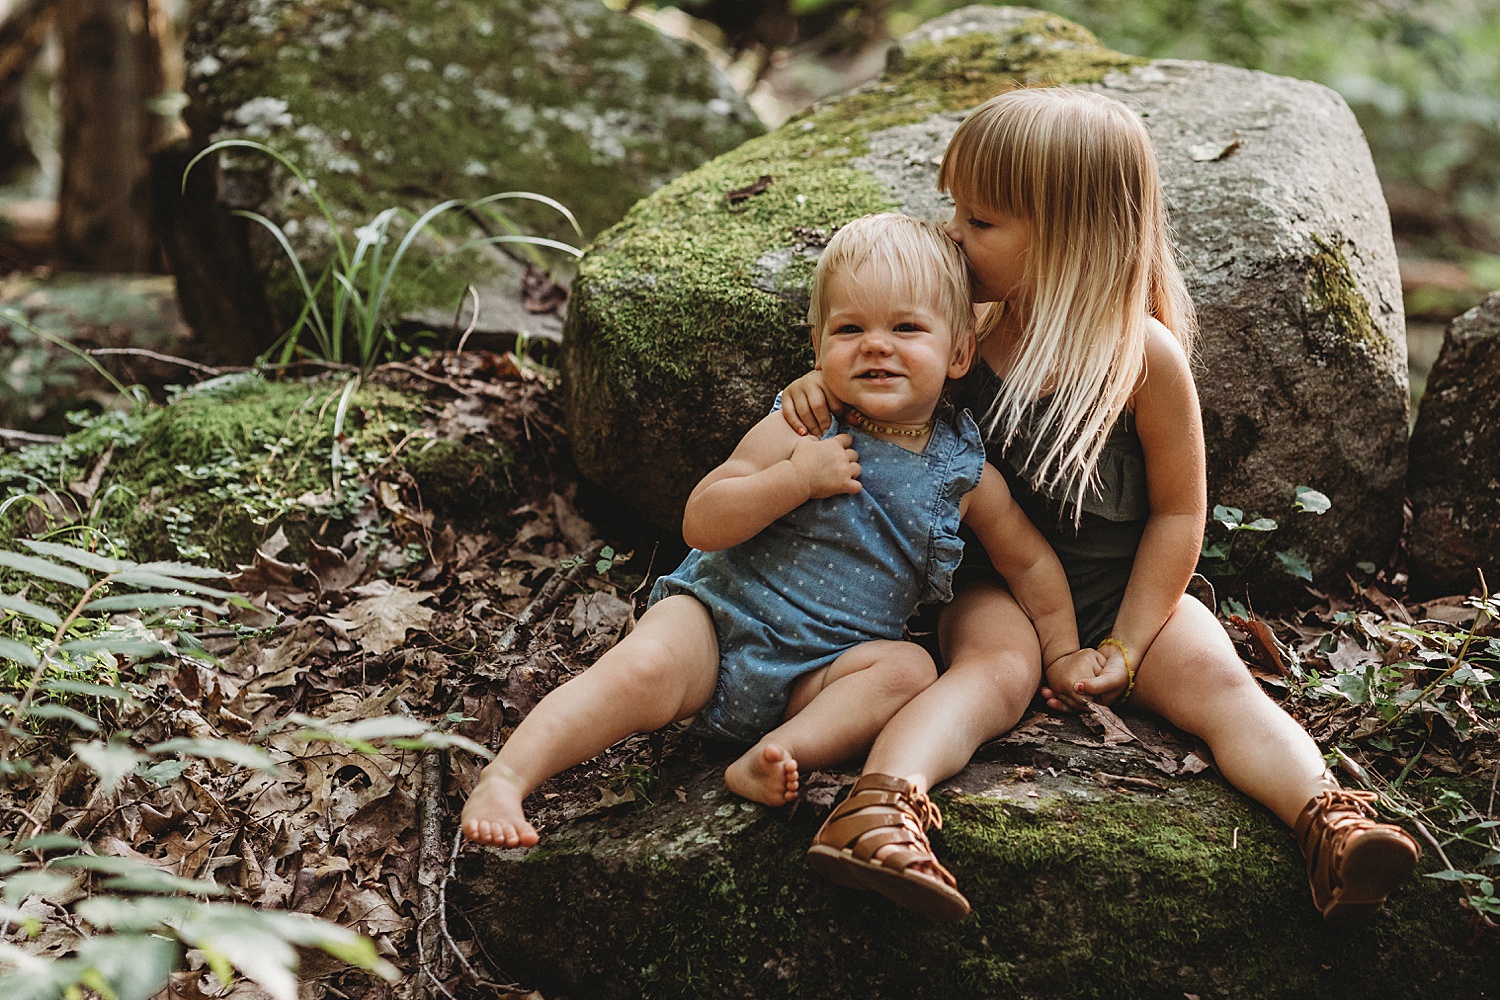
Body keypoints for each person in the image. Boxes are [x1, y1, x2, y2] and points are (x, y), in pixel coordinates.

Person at [783, 88, 1419, 926]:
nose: (951, 233)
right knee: (991, 673)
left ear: (1067, 235)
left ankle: (1328, 820)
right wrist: (819, 389)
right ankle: (880, 805)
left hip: (1127, 592)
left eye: (980, 221)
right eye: (957, 211)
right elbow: (884, 386)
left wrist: (1126, 643)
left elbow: (1177, 515)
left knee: (1220, 682)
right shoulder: (965, 338)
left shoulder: (1142, 358)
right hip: (1000, 590)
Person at [462, 215, 1095, 915]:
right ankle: (509, 777)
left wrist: (1063, 650)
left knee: (908, 671)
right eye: (849, 330)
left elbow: (1029, 562)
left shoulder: (962, 472)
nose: (876, 347)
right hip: (718, 625)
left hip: (822, 671)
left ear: (959, 353)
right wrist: (794, 479)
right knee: (638, 669)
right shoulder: (806, 423)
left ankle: (771, 756)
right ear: (818, 346)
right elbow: (702, 518)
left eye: (907, 330)